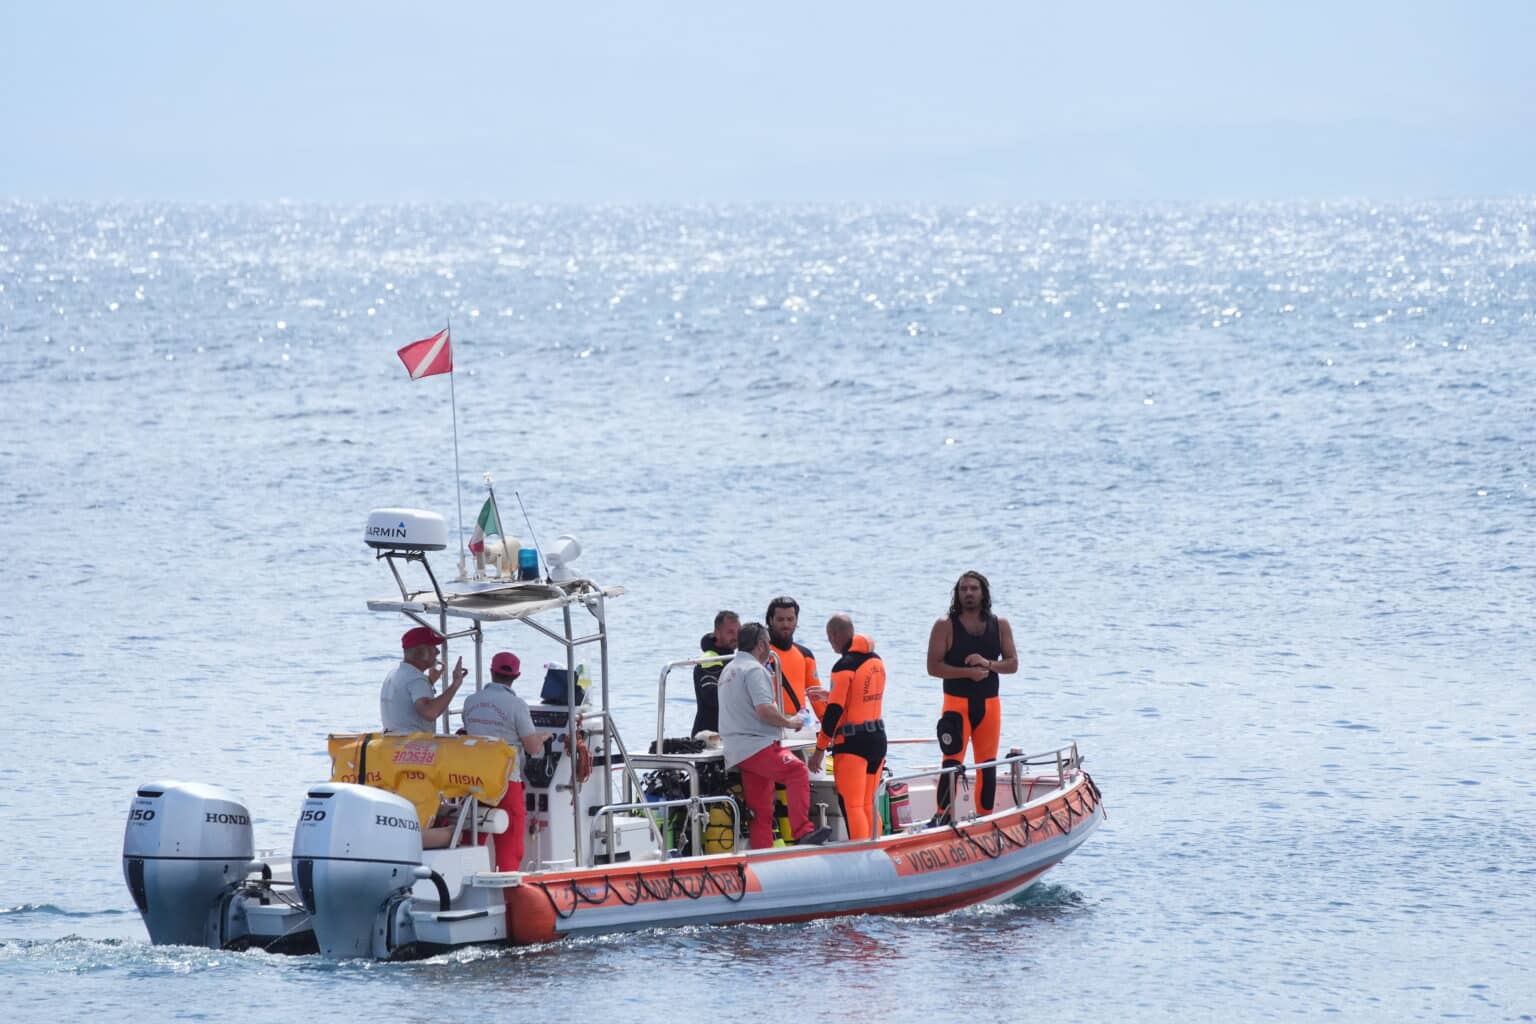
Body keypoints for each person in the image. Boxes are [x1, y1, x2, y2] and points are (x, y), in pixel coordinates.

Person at [717, 621, 832, 849]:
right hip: (757, 746)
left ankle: (763, 853)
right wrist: (789, 722)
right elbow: (764, 709)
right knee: (798, 770)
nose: (770, 649)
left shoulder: (728, 669)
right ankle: (802, 832)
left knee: (761, 809)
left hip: (737, 749)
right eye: (768, 644)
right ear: (761, 645)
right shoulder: (755, 670)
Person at [925, 571, 1018, 821]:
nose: (968, 593)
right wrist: (968, 673)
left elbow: (1012, 664)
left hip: (989, 706)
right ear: (957, 593)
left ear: (983, 593)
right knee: (952, 762)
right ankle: (943, 815)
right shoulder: (945, 625)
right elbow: (933, 667)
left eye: (974, 589)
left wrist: (987, 664)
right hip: (956, 706)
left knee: (987, 764)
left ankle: (985, 818)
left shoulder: (1000, 625)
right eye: (964, 589)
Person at [461, 652, 550, 872]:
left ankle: (466, 885)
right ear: (517, 676)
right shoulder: (517, 705)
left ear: (491, 671)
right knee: (509, 846)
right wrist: (544, 737)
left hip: (474, 781)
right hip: (506, 782)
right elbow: (532, 747)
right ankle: (509, 898)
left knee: (472, 840)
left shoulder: (470, 701)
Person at [813, 614, 887, 841]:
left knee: (853, 805)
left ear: (834, 635)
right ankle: (877, 847)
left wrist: (819, 749)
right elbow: (862, 698)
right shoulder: (876, 661)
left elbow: (834, 712)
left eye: (829, 638)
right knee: (867, 802)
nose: (831, 643)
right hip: (877, 739)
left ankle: (861, 852)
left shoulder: (843, 666)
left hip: (853, 744)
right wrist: (831, 693)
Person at [381, 626, 467, 733]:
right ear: (420, 652)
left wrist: (430, 682)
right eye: (433, 647)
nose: (437, 651)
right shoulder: (416, 679)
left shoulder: (393, 674)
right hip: (411, 747)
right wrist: (455, 684)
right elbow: (430, 712)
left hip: (392, 744)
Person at [765, 596, 828, 723]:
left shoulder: (805, 655)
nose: (785, 624)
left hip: (798, 726)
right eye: (780, 619)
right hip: (768, 724)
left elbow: (817, 699)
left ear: (796, 620)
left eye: (790, 619)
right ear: (771, 620)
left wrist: (829, 727)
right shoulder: (760, 653)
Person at [691, 610, 740, 736]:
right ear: (717, 633)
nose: (735, 636)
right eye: (730, 632)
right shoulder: (709, 659)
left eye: (738, 632)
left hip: (725, 730)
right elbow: (711, 697)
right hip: (708, 734)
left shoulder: (731, 658)